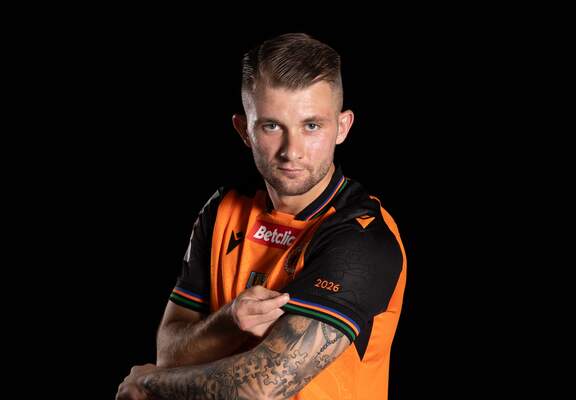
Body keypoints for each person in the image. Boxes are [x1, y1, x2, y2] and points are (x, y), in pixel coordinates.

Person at [116, 32, 407, 400]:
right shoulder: (224, 209)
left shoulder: (363, 235)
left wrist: (148, 384)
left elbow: (263, 388)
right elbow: (168, 353)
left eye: (311, 126)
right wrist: (228, 322)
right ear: (244, 130)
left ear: (342, 127)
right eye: (272, 126)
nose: (291, 151)